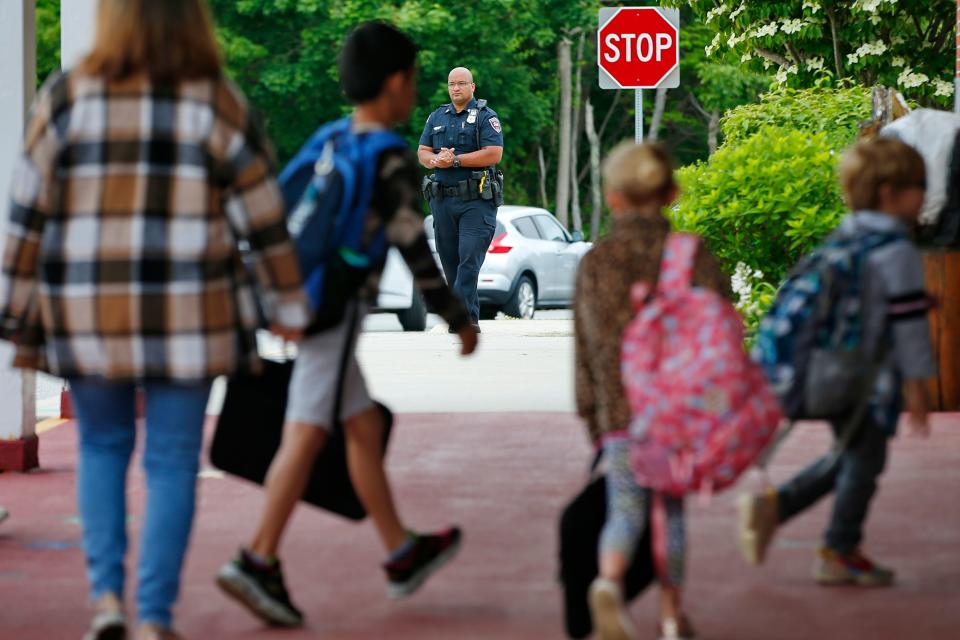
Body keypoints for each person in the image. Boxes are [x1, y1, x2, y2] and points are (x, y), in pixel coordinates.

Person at [0, 1, 309, 639]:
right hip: (190, 313)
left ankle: (107, 602)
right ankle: (154, 619)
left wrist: (13, 308)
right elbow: (264, 216)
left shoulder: (66, 96)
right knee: (171, 460)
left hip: (89, 312)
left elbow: (27, 213)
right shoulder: (216, 100)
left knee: (101, 447)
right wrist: (287, 305)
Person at [215, 22, 478, 628]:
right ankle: (257, 557)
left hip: (306, 305)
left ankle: (401, 552)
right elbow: (415, 248)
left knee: (359, 426)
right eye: (412, 80)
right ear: (393, 83)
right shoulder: (389, 158)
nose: (415, 91)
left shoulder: (331, 137)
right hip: (329, 317)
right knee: (306, 434)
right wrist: (457, 319)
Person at [739, 138, 934, 586]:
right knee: (864, 459)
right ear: (890, 193)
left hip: (822, 369)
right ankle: (837, 547)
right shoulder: (897, 250)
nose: (925, 194)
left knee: (854, 454)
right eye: (919, 185)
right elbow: (910, 328)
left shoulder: (846, 235)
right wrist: (919, 388)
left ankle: (784, 512)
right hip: (860, 379)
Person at [573, 143, 729, 640]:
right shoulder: (692, 254)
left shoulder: (597, 262)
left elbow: (586, 348)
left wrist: (592, 414)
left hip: (622, 414)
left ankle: (609, 581)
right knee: (671, 513)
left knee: (625, 510)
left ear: (613, 198)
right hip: (678, 414)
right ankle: (670, 616)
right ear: (672, 193)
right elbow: (723, 330)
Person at [417, 67, 504, 330]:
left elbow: (494, 153)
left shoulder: (485, 117)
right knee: (450, 261)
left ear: (472, 87)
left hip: (476, 202)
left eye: (461, 83)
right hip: (442, 200)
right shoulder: (436, 116)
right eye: (452, 84)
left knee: (469, 258)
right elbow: (423, 151)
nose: (456, 88)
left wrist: (454, 160)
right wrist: (435, 161)